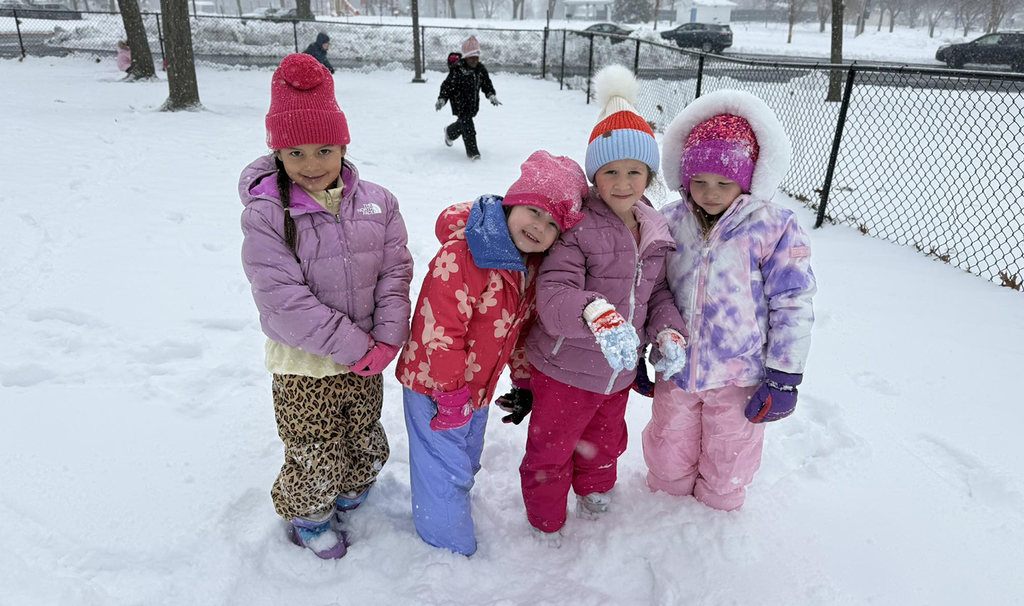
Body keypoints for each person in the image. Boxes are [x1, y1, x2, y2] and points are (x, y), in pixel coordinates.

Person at [239, 53, 413, 559]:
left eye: (324, 149)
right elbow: (280, 298)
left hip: (367, 359)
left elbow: (394, 270)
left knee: (362, 434)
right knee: (314, 450)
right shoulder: (268, 213)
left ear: (343, 144)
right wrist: (355, 344)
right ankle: (309, 515)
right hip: (305, 365)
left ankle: (355, 484)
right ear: (277, 153)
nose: (311, 164)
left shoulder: (379, 202)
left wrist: (386, 338)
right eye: (294, 153)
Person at [518, 65, 688, 544]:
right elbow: (553, 297)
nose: (622, 182)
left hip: (619, 371)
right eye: (610, 172)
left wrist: (668, 331)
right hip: (567, 368)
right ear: (594, 174)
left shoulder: (654, 228)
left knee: (605, 440)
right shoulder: (577, 228)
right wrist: (598, 313)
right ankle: (546, 518)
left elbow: (655, 293)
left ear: (649, 176)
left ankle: (594, 487)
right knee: (552, 448)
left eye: (634, 171)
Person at [396, 151, 589, 556]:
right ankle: (446, 546)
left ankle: (452, 505)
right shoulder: (465, 254)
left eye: (553, 222)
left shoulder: (528, 266)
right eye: (533, 211)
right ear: (511, 203)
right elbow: (439, 328)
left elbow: (519, 332)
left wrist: (522, 383)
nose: (539, 226)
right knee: (442, 466)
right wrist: (448, 393)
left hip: (476, 387)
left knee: (465, 456)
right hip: (434, 384)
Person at [642, 89, 816, 511]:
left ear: (749, 177)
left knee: (730, 453)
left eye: (724, 182)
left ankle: (720, 508)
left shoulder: (773, 227)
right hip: (676, 366)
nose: (710, 192)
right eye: (698, 182)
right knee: (669, 442)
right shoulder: (669, 221)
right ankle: (664, 504)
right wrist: (637, 346)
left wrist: (783, 375)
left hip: (740, 372)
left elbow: (792, 301)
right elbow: (648, 288)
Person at [435, 35, 500, 161]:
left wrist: (491, 95)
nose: (475, 61)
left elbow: (486, 84)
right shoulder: (457, 71)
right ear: (465, 58)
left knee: (463, 124)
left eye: (477, 58)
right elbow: (447, 87)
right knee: (468, 127)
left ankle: (449, 132)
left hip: (472, 104)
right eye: (472, 58)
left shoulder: (480, 70)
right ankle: (473, 154)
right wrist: (442, 99)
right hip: (459, 103)